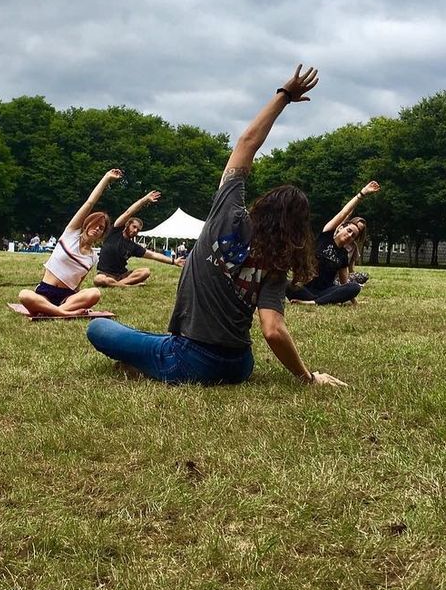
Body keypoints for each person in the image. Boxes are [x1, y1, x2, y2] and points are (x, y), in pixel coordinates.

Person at [86, 65, 346, 386]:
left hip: (189, 359)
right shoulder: (277, 266)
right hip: (238, 366)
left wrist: (284, 95)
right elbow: (273, 330)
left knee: (99, 328)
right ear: (296, 231)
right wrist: (307, 377)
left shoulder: (228, 214)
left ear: (262, 205)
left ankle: (149, 365)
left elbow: (247, 143)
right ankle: (151, 357)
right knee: (152, 339)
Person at [17, 169, 123, 317]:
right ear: (86, 224)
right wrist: (106, 178)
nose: (97, 229)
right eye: (94, 224)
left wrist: (80, 300)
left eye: (101, 228)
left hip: (67, 298)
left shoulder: (93, 257)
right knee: (24, 295)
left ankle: (54, 311)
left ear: (102, 234)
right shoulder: (71, 234)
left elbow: (77, 285)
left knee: (94, 293)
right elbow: (89, 203)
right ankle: (62, 312)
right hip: (45, 293)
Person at [288, 183, 379, 305]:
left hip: (325, 292)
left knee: (354, 287)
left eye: (353, 236)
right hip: (305, 289)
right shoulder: (326, 236)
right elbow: (343, 213)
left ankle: (313, 302)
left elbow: (344, 283)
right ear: (341, 227)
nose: (349, 235)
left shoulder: (343, 255)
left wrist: (353, 300)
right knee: (285, 283)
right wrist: (362, 194)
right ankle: (314, 300)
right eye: (349, 230)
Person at [93, 190, 186, 287]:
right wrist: (145, 200)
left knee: (145, 271)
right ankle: (124, 285)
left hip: (122, 276)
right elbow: (128, 212)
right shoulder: (114, 232)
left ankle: (118, 284)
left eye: (138, 230)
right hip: (105, 274)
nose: (135, 231)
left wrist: (174, 261)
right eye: (134, 227)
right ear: (127, 224)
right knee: (98, 279)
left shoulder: (133, 247)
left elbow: (153, 255)